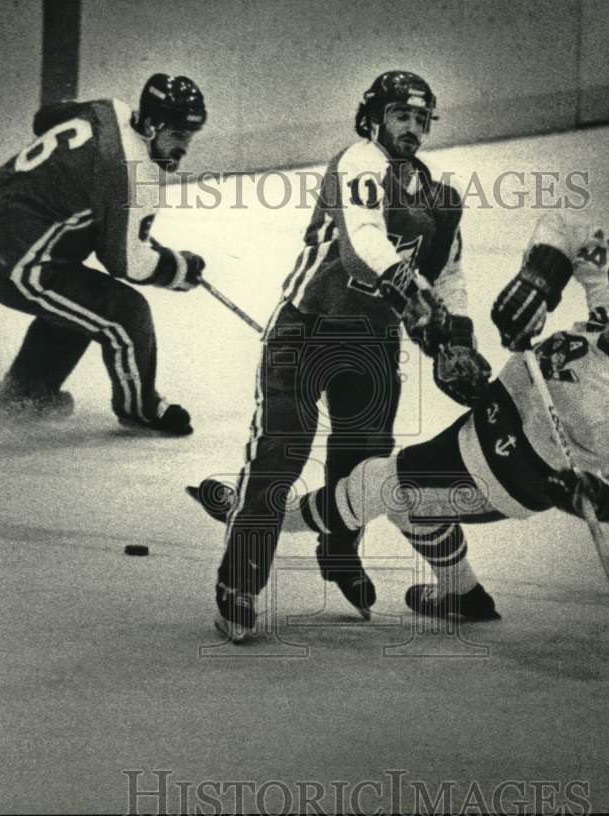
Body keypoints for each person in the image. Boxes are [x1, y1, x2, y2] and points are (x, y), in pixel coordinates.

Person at [203, 212, 609, 622]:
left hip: (510, 474)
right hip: (483, 425)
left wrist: (596, 495)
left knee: (378, 483)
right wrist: (538, 281)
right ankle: (464, 595)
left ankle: (265, 519)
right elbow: (570, 228)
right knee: (410, 505)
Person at [208, 70, 490, 641]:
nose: (410, 127)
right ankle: (237, 582)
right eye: (399, 115)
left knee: (363, 468)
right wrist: (414, 296)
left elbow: (451, 276)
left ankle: (339, 553)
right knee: (279, 456)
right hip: (305, 330)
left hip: (373, 344)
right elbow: (364, 245)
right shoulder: (359, 163)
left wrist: (457, 338)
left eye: (419, 118)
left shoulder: (441, 200)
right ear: (375, 118)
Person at [0, 73, 209, 434]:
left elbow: (45, 118)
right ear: (152, 126)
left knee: (82, 301)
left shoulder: (106, 109)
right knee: (123, 312)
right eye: (178, 136)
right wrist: (176, 268)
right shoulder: (132, 176)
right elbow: (128, 263)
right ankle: (140, 408)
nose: (184, 148)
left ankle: (24, 396)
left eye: (189, 137)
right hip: (13, 260)